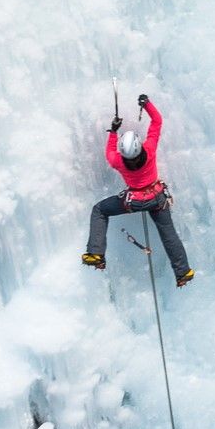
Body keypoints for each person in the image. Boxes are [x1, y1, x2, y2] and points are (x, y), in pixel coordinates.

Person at [83, 93, 195, 286]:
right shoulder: (150, 150)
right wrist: (147, 104)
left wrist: (113, 131)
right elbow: (157, 122)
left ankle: (96, 254)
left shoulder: (118, 162)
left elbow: (110, 153)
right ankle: (183, 272)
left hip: (133, 202)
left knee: (100, 210)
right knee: (169, 234)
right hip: (157, 198)